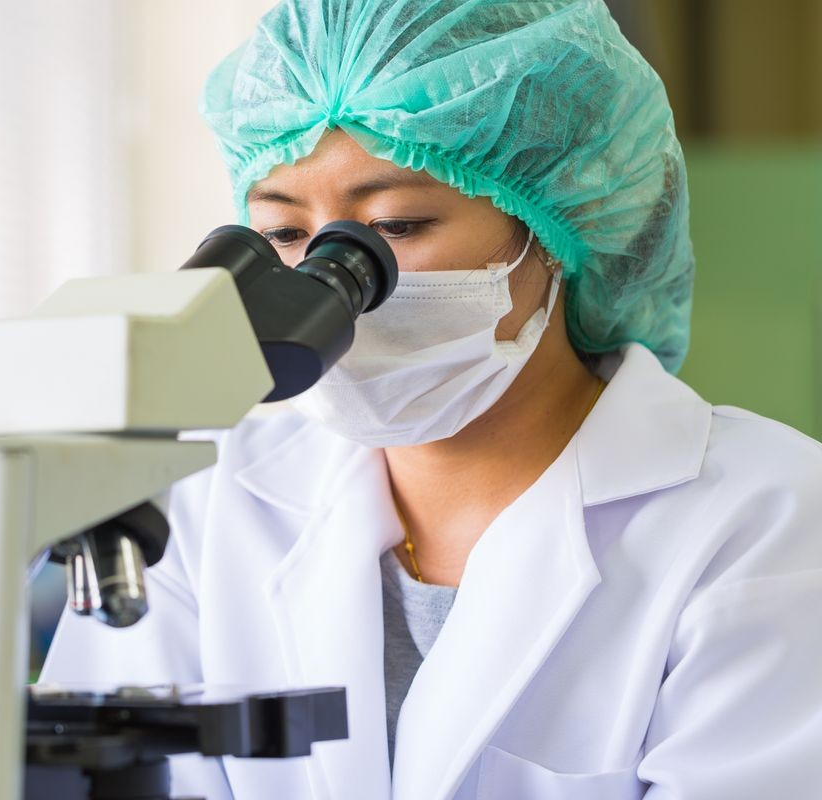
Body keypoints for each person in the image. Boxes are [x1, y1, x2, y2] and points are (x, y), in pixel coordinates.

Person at [41, 1, 822, 798]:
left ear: (558, 221)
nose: (323, 281)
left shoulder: (769, 519)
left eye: (397, 225)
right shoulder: (205, 509)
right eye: (280, 234)